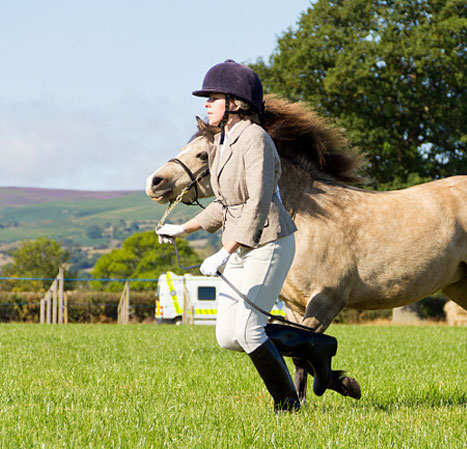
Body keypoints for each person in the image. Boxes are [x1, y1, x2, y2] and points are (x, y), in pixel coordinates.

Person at [157, 59, 338, 412]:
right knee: (228, 336)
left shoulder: (255, 139)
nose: (206, 103)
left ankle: (288, 405)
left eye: (214, 97)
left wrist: (225, 251)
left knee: (251, 330)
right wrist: (183, 228)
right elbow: (226, 204)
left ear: (236, 104)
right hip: (241, 244)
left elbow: (256, 203)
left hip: (268, 242)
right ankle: (314, 346)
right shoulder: (223, 142)